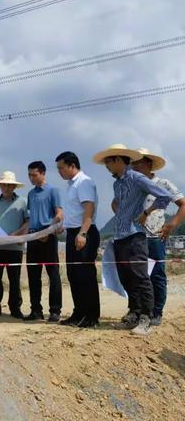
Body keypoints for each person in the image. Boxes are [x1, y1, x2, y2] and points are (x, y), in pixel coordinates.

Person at [93, 144, 172, 336]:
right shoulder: (117, 184)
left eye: (108, 162)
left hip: (135, 235)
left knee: (140, 278)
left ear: (119, 160)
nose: (107, 167)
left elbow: (165, 196)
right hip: (120, 236)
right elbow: (120, 206)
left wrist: (146, 212)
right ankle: (134, 313)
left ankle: (146, 317)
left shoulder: (137, 178)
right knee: (126, 278)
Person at [130, 148, 185, 326]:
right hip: (134, 236)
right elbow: (117, 203)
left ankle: (156, 312)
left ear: (147, 164)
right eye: (132, 164)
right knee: (136, 275)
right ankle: (136, 310)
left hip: (155, 236)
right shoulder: (132, 184)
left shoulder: (163, 183)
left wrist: (172, 224)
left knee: (156, 275)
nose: (134, 167)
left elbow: (182, 204)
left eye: (137, 163)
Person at [55, 151, 100, 328]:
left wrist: (82, 233)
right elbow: (75, 211)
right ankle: (79, 313)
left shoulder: (84, 182)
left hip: (85, 233)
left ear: (72, 165)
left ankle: (91, 316)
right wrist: (64, 226)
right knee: (73, 275)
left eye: (61, 168)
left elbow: (88, 209)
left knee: (85, 276)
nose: (59, 172)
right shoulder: (71, 185)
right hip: (72, 232)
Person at [23, 161, 63, 323]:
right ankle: (36, 310)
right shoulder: (31, 194)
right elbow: (32, 216)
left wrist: (48, 230)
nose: (31, 178)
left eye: (34, 174)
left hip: (48, 237)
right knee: (33, 275)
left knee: (53, 275)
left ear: (43, 173)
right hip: (33, 238)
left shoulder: (53, 191)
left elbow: (59, 215)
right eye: (29, 175)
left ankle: (55, 311)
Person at [0, 171, 28, 319]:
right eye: (4, 184)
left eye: (10, 185)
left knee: (14, 279)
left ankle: (15, 308)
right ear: (0, 185)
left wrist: (18, 233)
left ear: (14, 186)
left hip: (15, 247)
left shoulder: (23, 201)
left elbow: (28, 221)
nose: (7, 187)